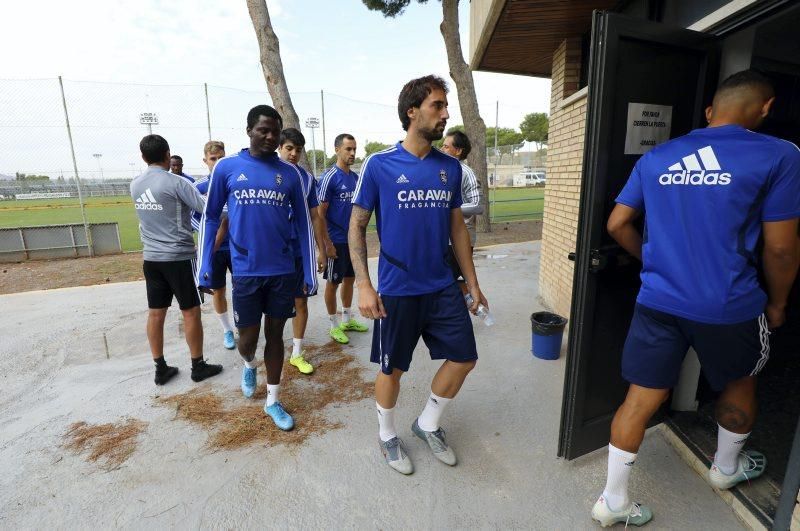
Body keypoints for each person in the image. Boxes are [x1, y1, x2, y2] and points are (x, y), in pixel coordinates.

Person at [595, 70, 800, 527]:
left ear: (709, 112)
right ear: (765, 109)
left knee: (639, 399)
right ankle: (725, 470)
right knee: (740, 381)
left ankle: (613, 501)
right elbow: (783, 247)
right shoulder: (780, 155)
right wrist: (780, 303)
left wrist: (649, 260)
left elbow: (615, 225)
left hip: (658, 302)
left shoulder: (658, 157)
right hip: (730, 306)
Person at [349, 75, 488, 475]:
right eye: (437, 106)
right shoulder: (379, 164)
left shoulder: (450, 168)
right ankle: (388, 435)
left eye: (445, 107)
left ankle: (427, 423)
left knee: (464, 358)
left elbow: (457, 228)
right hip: (397, 288)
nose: (445, 114)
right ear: (412, 112)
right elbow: (357, 225)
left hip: (442, 285)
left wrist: (473, 284)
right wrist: (363, 284)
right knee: (393, 368)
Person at [197, 105, 317, 431]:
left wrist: (308, 271)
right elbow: (209, 218)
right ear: (249, 129)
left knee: (275, 336)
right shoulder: (227, 167)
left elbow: (305, 226)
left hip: (281, 271)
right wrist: (204, 265)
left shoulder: (290, 174)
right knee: (247, 339)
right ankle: (249, 364)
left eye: (274, 131)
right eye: (263, 130)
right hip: (246, 272)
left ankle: (273, 400)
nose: (269, 136)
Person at [130, 134, 223, 386]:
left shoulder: (135, 184)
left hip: (151, 258)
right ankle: (198, 365)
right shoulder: (176, 183)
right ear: (167, 155)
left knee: (156, 314)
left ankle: (160, 368)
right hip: (179, 257)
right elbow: (209, 209)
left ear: (142, 157)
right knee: (191, 311)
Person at [277, 127, 329, 374]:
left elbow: (316, 217)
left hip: (299, 251)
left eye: (298, 150)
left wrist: (321, 250)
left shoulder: (307, 179)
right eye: (289, 148)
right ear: (279, 148)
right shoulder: (268, 172)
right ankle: (271, 350)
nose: (293, 154)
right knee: (273, 305)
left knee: (301, 301)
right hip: (273, 253)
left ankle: (297, 353)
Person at [317, 133, 369, 344]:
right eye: (348, 149)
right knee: (333, 282)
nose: (352, 153)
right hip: (335, 240)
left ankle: (347, 319)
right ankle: (333, 325)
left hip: (352, 240)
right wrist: (326, 244)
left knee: (350, 279)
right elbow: (319, 215)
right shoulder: (330, 177)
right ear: (337, 149)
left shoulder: (356, 178)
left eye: (354, 149)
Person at [191, 141, 235, 350]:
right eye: (213, 159)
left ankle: (243, 325)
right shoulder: (198, 187)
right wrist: (205, 236)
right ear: (205, 161)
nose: (217, 163)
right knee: (218, 291)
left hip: (236, 246)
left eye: (221, 158)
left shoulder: (235, 181)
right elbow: (189, 216)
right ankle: (227, 330)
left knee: (243, 288)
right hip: (215, 249)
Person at [441, 130, 483, 294]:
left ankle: (476, 302)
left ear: (458, 151)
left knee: (447, 283)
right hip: (443, 239)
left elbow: (478, 206)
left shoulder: (467, 173)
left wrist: (448, 206)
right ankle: (473, 298)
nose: (442, 149)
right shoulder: (443, 172)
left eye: (446, 147)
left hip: (460, 240)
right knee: (444, 281)